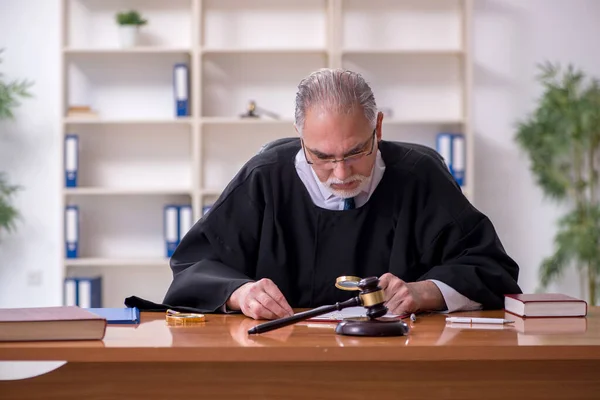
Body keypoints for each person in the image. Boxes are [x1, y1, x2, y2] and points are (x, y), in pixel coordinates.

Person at [156, 68, 522, 320]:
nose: (342, 173)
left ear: (378, 127)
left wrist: (425, 291)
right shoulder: (264, 177)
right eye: (322, 157)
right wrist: (240, 294)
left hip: (399, 363)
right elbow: (193, 266)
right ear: (301, 138)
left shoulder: (420, 176)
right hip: (278, 361)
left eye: (356, 152)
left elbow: (492, 269)